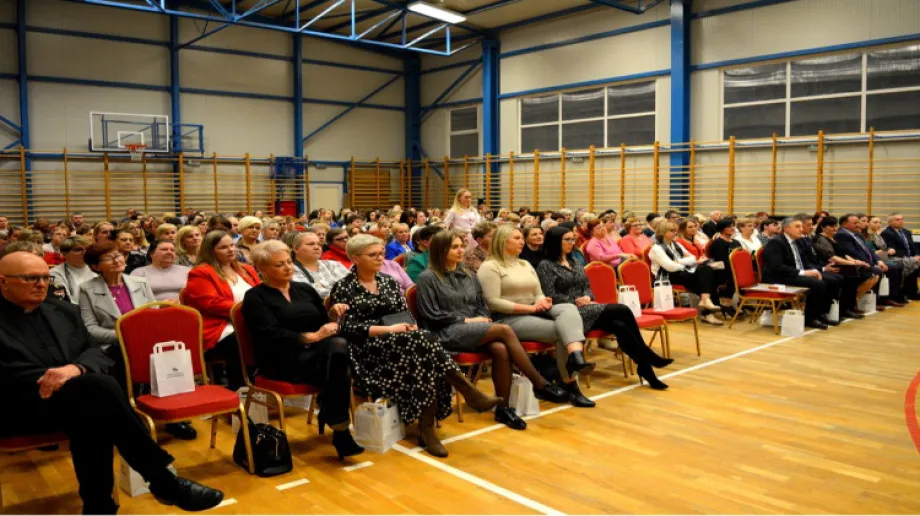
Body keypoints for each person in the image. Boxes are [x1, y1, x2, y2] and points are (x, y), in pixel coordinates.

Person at [0, 252, 224, 514]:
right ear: (3, 281)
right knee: (98, 393)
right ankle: (162, 480)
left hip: (77, 401)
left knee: (93, 412)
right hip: (21, 406)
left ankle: (100, 507)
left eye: (45, 278)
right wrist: (59, 376)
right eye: (30, 278)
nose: (41, 284)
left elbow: (95, 351)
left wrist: (76, 368)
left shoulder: (63, 310)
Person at [329, 234, 501, 458]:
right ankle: (461, 396)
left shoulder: (388, 282)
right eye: (373, 255)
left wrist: (407, 327)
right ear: (355, 258)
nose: (381, 258)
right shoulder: (344, 287)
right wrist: (389, 330)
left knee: (423, 350)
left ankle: (428, 427)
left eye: (381, 253)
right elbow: (347, 328)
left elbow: (405, 314)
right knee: (425, 344)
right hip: (368, 351)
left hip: (402, 343)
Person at [416, 231, 570, 430]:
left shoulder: (468, 275)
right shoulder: (427, 278)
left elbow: (481, 303)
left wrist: (481, 317)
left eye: (462, 246)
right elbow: (431, 315)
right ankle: (539, 382)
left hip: (473, 328)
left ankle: (503, 409)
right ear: (440, 250)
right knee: (504, 329)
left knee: (501, 349)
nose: (461, 250)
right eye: (454, 247)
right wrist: (467, 320)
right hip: (445, 332)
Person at [242, 241, 364, 460]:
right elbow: (270, 335)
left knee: (337, 350)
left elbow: (321, 322)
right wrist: (314, 336)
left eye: (289, 261)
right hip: (281, 359)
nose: (288, 267)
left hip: (318, 356)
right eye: (279, 265)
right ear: (263, 269)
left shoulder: (305, 289)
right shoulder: (255, 297)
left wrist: (333, 315)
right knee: (339, 360)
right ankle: (339, 428)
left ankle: (338, 426)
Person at [538, 227, 674, 389]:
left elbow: (587, 286)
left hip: (587, 307)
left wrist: (588, 297)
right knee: (621, 310)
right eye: (567, 240)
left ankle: (646, 369)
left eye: (572, 239)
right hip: (569, 313)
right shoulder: (545, 265)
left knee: (620, 326)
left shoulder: (574, 261)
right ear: (555, 242)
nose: (571, 243)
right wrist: (576, 301)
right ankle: (647, 356)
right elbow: (550, 295)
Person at [477, 226, 596, 407]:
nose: (521, 241)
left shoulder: (524, 264)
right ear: (502, 241)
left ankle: (576, 357)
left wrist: (543, 301)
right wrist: (530, 308)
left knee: (568, 308)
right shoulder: (490, 267)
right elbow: (493, 302)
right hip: (507, 319)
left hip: (534, 310)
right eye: (516, 238)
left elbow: (538, 292)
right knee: (562, 330)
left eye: (521, 238)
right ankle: (571, 383)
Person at [184, 231, 261, 391]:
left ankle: (263, 385)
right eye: (223, 247)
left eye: (232, 245)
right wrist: (249, 310)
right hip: (217, 327)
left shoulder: (247, 269)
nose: (231, 250)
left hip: (249, 321)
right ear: (210, 251)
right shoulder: (201, 273)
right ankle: (240, 389)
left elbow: (261, 295)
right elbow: (211, 303)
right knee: (242, 339)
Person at [761, 218, 835, 329]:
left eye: (801, 226)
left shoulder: (795, 240)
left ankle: (820, 313)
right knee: (818, 284)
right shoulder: (776, 242)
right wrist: (804, 272)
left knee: (830, 280)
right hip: (778, 277)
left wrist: (812, 271)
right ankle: (810, 319)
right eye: (797, 227)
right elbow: (777, 267)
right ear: (786, 228)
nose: (801, 229)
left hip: (791, 274)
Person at [648, 222, 724, 326]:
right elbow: (670, 267)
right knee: (705, 280)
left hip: (682, 272)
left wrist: (677, 261)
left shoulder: (676, 244)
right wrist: (682, 262)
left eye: (675, 230)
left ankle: (705, 301)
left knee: (707, 270)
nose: (675, 233)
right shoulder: (656, 249)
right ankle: (707, 311)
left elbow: (692, 258)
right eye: (672, 231)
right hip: (666, 276)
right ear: (663, 232)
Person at [813, 216, 875, 317]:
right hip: (830, 265)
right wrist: (853, 263)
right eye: (831, 226)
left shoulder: (833, 238)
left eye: (835, 226)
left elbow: (844, 254)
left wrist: (856, 261)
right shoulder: (820, 239)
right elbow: (832, 257)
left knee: (865, 272)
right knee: (851, 274)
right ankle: (844, 309)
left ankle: (849, 306)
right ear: (823, 227)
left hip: (841, 263)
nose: (834, 228)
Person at [867, 215, 916, 303]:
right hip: (875, 260)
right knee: (898, 265)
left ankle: (897, 294)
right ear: (868, 224)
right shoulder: (866, 236)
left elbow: (884, 248)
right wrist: (886, 252)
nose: (878, 224)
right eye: (875, 222)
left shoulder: (877, 235)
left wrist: (887, 250)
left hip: (883, 258)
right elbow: (871, 251)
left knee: (901, 265)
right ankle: (890, 296)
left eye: (880, 222)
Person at [288, 231, 350, 298]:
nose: (317, 247)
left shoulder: (333, 264)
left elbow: (352, 284)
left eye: (319, 244)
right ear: (296, 249)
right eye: (311, 244)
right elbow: (311, 293)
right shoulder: (291, 270)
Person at [50, 236, 96, 304]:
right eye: (78, 250)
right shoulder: (55, 273)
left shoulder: (97, 269)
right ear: (64, 254)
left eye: (87, 249)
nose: (84, 252)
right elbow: (64, 301)